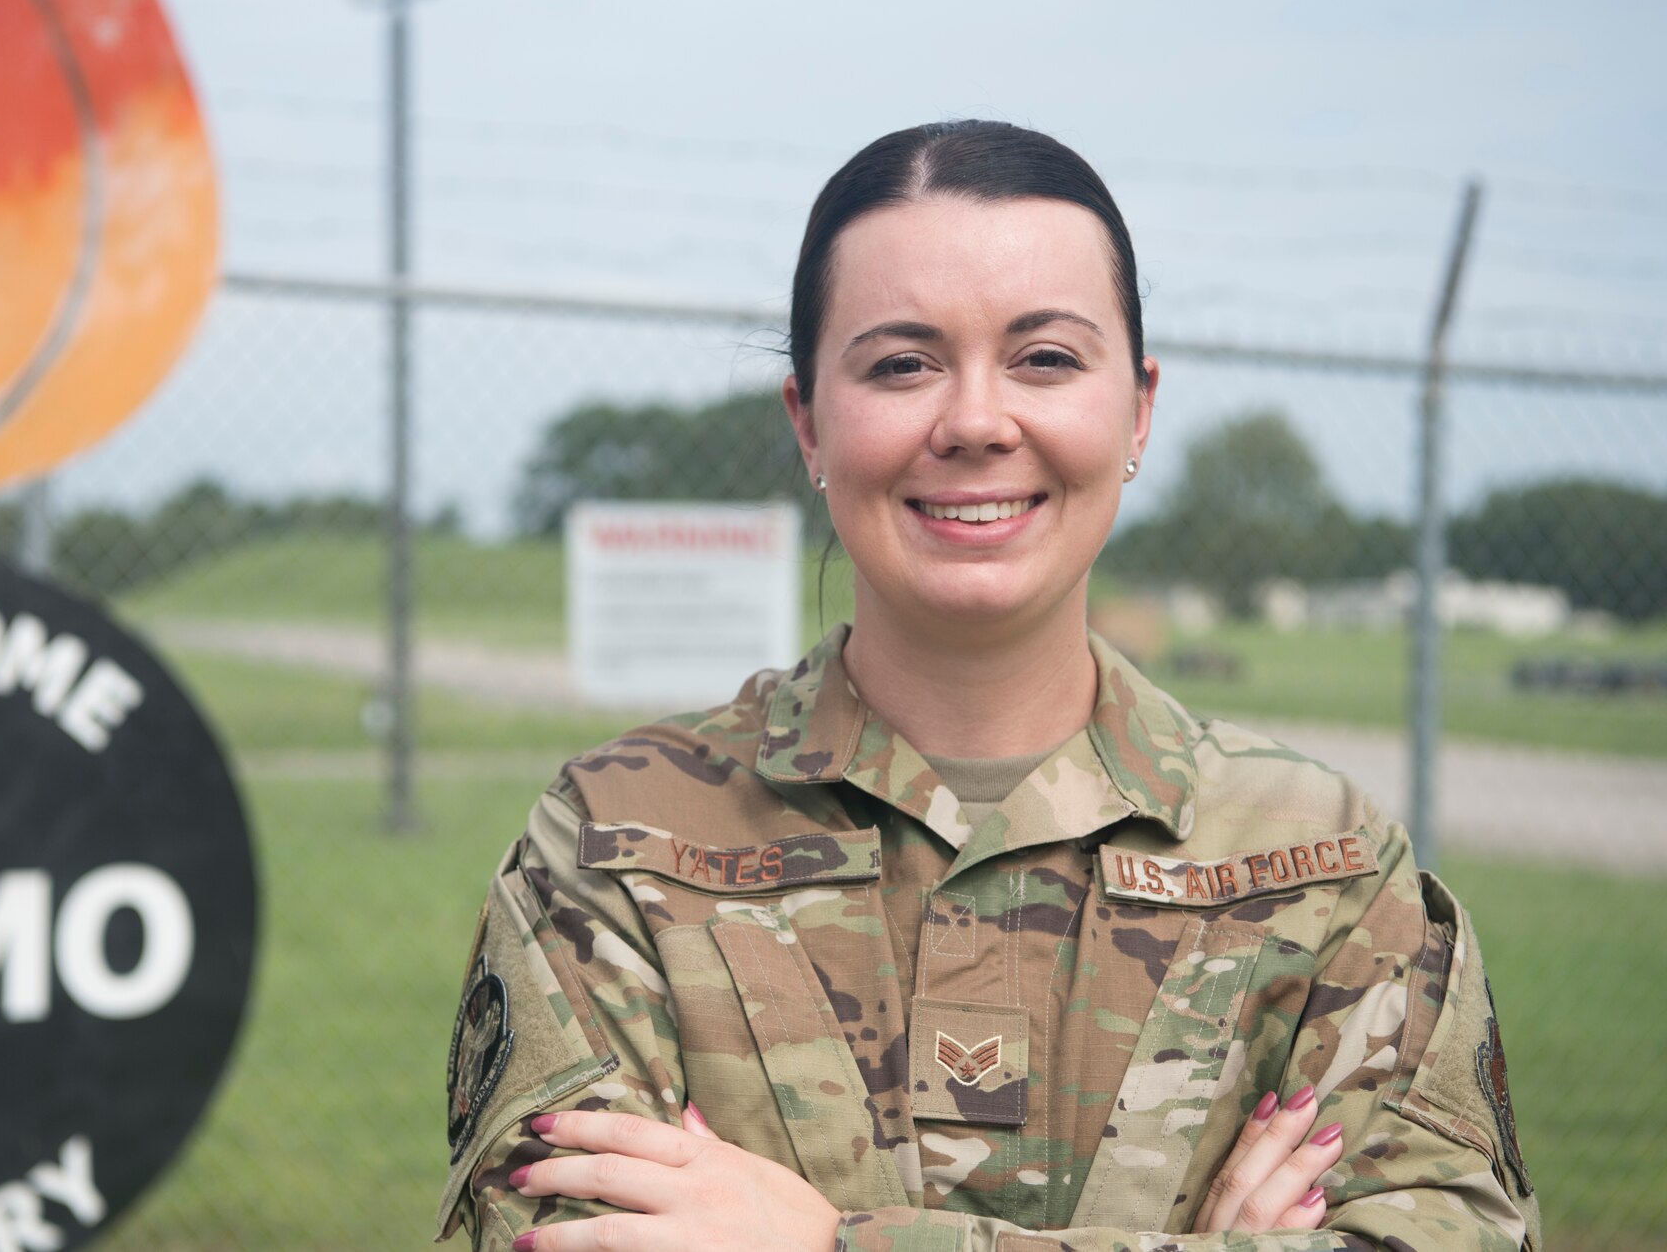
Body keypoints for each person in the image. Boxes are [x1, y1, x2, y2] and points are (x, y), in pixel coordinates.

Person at [437, 121, 1539, 1252]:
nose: (972, 421)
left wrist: (831, 1245)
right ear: (807, 420)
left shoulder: (1324, 864)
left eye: (1045, 358)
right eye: (900, 364)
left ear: (1138, 410)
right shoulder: (620, 841)